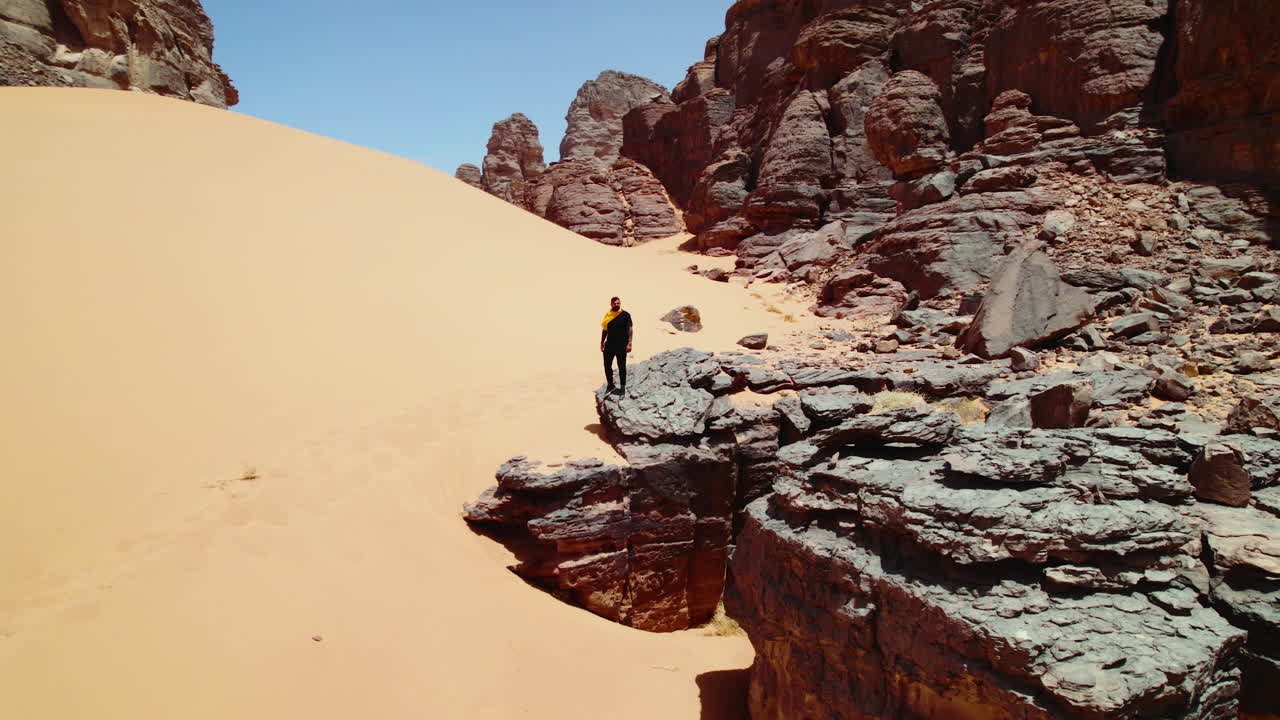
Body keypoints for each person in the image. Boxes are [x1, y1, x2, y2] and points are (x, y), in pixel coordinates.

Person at [600, 296, 633, 396]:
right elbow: (605, 330)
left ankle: (622, 387)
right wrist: (602, 342)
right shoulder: (608, 315)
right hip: (609, 345)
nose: (616, 305)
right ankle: (610, 385)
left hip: (621, 345)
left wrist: (629, 343)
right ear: (611, 304)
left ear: (620, 303)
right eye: (614, 303)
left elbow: (630, 329)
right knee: (607, 365)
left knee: (621, 366)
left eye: (618, 303)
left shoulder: (625, 315)